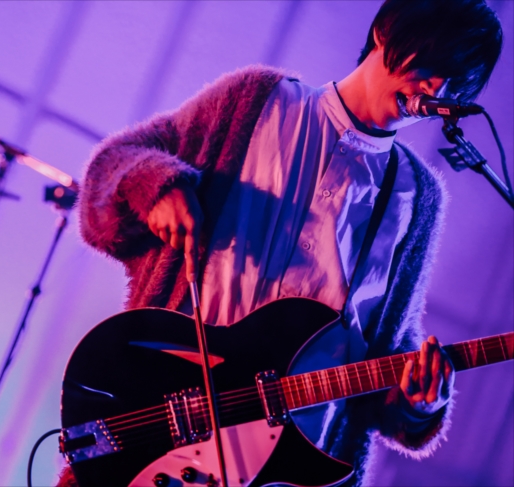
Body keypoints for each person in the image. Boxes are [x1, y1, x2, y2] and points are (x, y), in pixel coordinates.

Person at [60, 0, 503, 485]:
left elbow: (385, 351)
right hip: (168, 415)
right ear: (385, 31)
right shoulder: (256, 100)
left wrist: (418, 404)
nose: (437, 89)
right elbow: (115, 164)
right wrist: (155, 187)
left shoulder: (417, 196)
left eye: (454, 82)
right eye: (431, 63)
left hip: (289, 467)